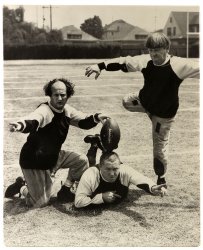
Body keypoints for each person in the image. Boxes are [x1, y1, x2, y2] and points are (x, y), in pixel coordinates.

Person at [85, 32, 199, 189]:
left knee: (159, 151)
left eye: (157, 50)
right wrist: (100, 66)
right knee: (126, 101)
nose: (153, 54)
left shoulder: (179, 65)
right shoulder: (146, 60)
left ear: (167, 49)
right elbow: (122, 62)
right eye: (150, 50)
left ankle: (161, 178)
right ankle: (147, 109)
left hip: (163, 115)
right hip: (144, 102)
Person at [4, 78, 108, 208]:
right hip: (34, 161)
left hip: (53, 156)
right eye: (56, 95)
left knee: (81, 161)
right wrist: (20, 125)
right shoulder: (45, 110)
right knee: (40, 203)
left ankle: (66, 189)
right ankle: (21, 186)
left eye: (63, 95)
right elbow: (33, 121)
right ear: (50, 95)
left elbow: (83, 122)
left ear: (68, 95)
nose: (60, 98)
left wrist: (97, 117)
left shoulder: (67, 110)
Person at [74, 151, 167, 208]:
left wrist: (153, 187)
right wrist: (101, 198)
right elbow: (78, 202)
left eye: (115, 169)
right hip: (87, 182)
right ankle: (93, 148)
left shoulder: (124, 169)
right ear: (100, 166)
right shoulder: (91, 174)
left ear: (119, 166)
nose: (112, 173)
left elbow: (140, 179)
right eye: (108, 169)